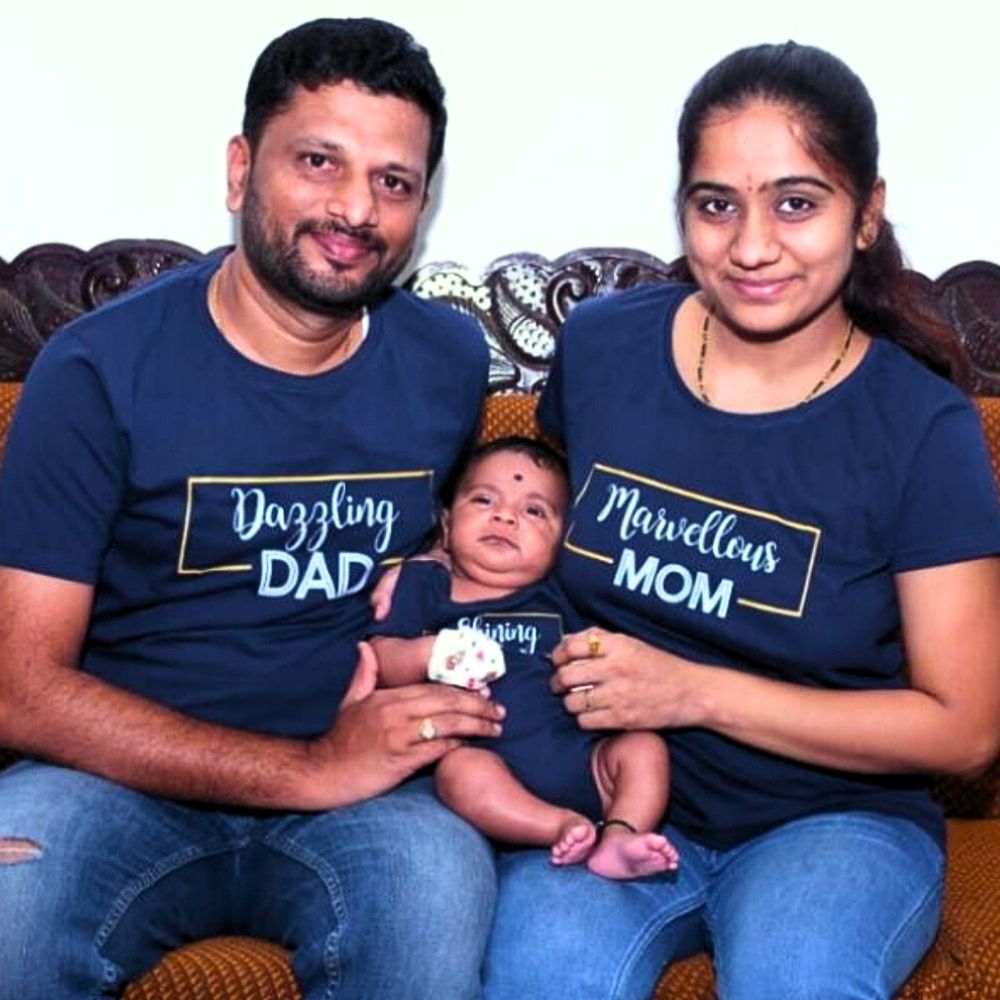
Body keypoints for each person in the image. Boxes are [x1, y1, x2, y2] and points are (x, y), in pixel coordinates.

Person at [482, 43, 1000, 1000]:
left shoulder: (923, 429)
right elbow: (530, 541)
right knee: (538, 973)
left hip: (835, 822)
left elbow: (965, 732)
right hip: (611, 798)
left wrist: (694, 693)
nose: (752, 245)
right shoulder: (603, 350)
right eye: (717, 203)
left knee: (796, 981)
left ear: (867, 212)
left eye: (797, 203)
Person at [0, 18, 504, 1000]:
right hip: (112, 783)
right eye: (318, 161)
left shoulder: (445, 363)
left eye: (393, 182)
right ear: (241, 170)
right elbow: (19, 682)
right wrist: (306, 766)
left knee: (438, 896)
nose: (355, 209)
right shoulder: (99, 371)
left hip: (368, 798)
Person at [371, 436, 678, 878]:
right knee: (458, 772)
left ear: (563, 543)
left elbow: (604, 655)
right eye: (483, 499)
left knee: (644, 748)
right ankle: (559, 827)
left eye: (534, 511)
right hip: (488, 759)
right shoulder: (424, 584)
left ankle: (619, 836)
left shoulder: (562, 594)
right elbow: (382, 660)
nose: (505, 515)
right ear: (445, 524)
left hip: (582, 760)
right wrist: (431, 653)